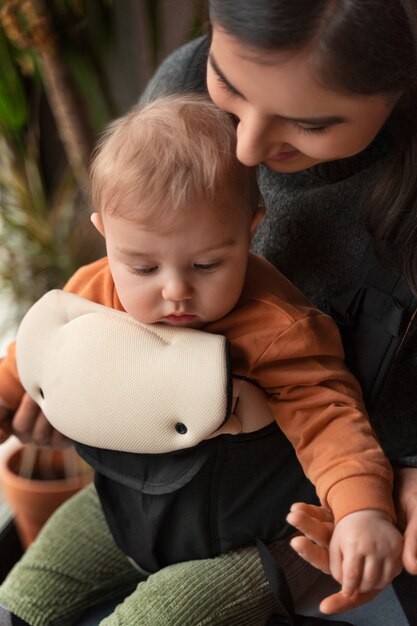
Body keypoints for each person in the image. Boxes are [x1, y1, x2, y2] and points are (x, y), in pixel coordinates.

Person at [1, 0, 417, 624]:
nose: (174, 292)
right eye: (142, 267)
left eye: (206, 265)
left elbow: (330, 418)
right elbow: (28, 356)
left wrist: (365, 509)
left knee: (160, 615)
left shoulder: (280, 329)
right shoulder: (95, 284)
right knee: (22, 596)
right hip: (126, 504)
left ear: (251, 233)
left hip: (253, 533)